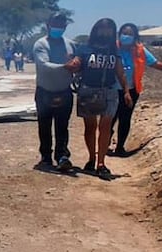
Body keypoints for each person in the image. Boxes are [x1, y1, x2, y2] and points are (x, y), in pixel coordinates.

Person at [71, 18, 132, 178]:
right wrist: (73, 63)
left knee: (105, 127)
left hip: (109, 91)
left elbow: (120, 72)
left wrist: (126, 91)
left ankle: (101, 162)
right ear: (96, 30)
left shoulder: (114, 50)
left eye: (109, 29)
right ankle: (91, 159)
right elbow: (75, 65)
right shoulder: (84, 48)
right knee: (90, 127)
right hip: (88, 90)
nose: (105, 32)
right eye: (102, 29)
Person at [109, 23, 162, 156]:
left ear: (135, 36)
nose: (127, 36)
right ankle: (105, 144)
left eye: (130, 34)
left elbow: (154, 63)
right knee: (110, 118)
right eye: (124, 33)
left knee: (125, 118)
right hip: (111, 89)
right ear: (119, 34)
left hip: (132, 90)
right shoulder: (112, 47)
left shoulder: (140, 50)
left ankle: (120, 147)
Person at [33, 13, 79, 170]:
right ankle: (45, 156)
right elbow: (44, 64)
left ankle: (62, 156)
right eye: (55, 24)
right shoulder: (41, 44)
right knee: (44, 125)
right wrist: (64, 67)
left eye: (61, 25)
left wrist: (77, 65)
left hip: (64, 91)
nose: (58, 28)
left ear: (65, 27)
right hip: (45, 92)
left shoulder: (71, 44)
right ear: (48, 24)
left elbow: (78, 60)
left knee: (62, 126)